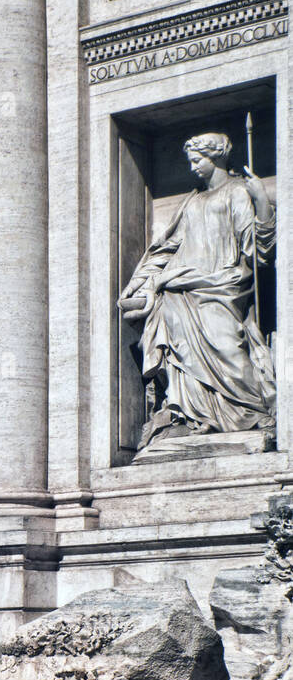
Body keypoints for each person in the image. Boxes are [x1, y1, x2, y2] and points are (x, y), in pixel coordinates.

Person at [119, 131, 276, 445]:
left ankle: (252, 411)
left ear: (216, 157)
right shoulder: (191, 200)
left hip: (223, 283)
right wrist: (139, 284)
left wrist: (260, 199)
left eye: (197, 160)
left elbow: (257, 249)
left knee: (228, 346)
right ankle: (194, 415)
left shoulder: (236, 192)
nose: (192, 168)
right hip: (181, 287)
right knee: (176, 345)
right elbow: (167, 248)